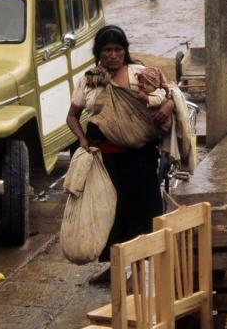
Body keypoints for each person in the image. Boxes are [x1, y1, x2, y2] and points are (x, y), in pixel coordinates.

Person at [66, 25, 174, 266]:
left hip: (140, 161)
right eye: (107, 50)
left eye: (117, 49)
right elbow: (72, 116)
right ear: (99, 53)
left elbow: (170, 93)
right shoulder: (90, 80)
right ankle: (116, 268)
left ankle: (137, 266)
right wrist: (82, 139)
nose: (112, 55)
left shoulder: (140, 73)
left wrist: (168, 105)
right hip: (107, 163)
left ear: (124, 51)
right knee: (112, 215)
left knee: (144, 214)